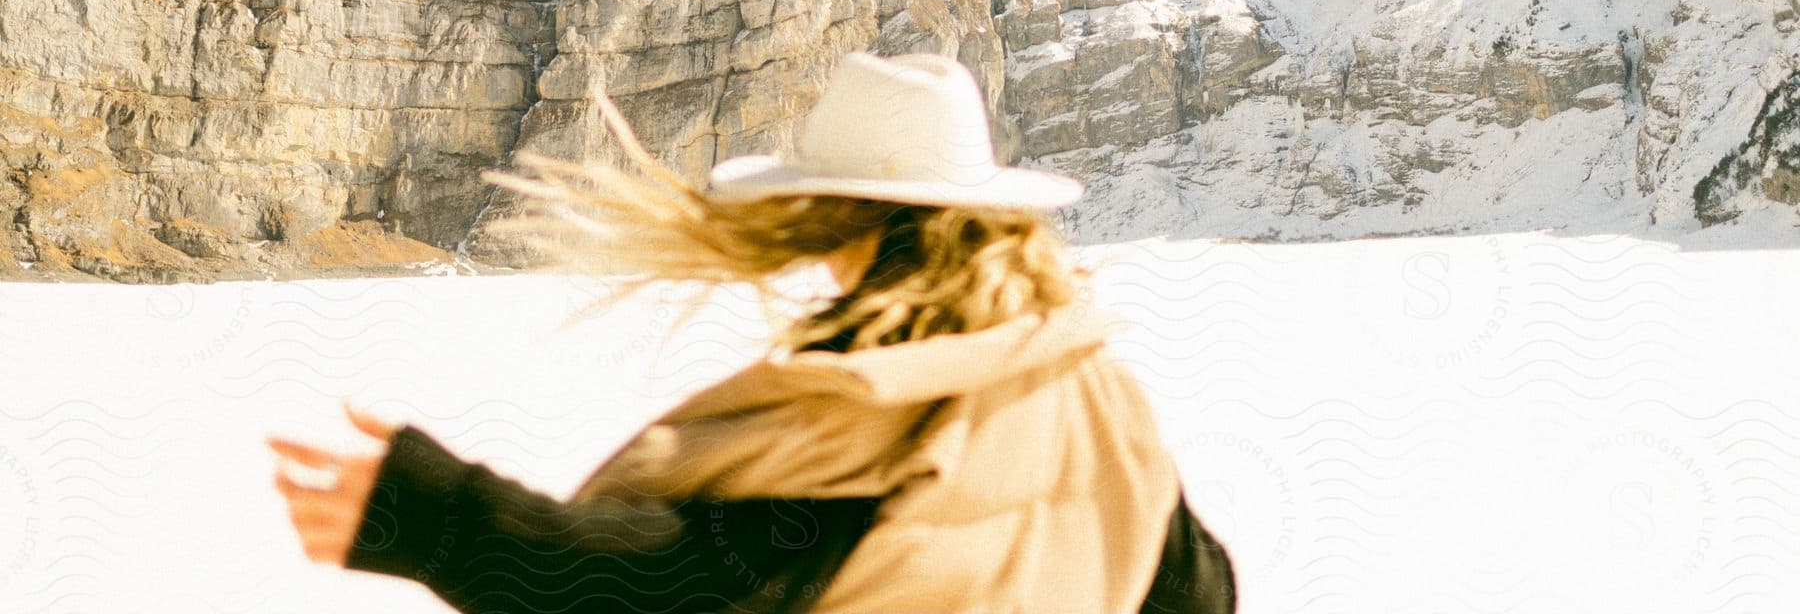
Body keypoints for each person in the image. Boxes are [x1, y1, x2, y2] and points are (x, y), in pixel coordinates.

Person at [269, 50, 1237, 612]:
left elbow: (648, 586)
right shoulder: (1092, 388)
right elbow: (1204, 593)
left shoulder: (868, 411)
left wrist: (435, 514)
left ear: (844, 219)